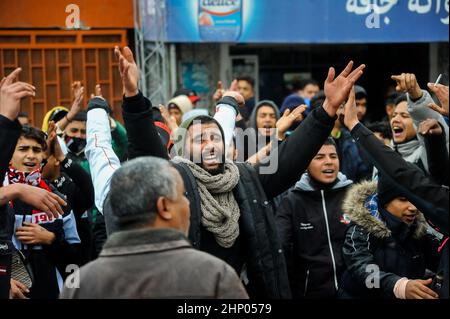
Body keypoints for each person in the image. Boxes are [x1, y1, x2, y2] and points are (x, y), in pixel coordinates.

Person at [110, 46, 365, 298]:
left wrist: (327, 111)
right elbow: (147, 149)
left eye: (215, 137)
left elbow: (289, 159)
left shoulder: (243, 178)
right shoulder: (175, 179)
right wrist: (133, 96)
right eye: (200, 140)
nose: (210, 145)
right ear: (183, 149)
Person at [60, 156, 249, 299]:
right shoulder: (214, 276)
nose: (189, 204)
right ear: (164, 207)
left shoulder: (79, 285)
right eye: (183, 195)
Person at [341, 85, 449, 299]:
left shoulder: (418, 233)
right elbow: (361, 270)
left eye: (414, 200)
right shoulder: (362, 230)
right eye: (403, 199)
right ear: (384, 202)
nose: (413, 207)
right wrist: (398, 285)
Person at [276, 138, 353, 298]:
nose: (328, 162)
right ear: (306, 162)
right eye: (319, 157)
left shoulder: (353, 195)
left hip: (353, 291)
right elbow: (281, 251)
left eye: (333, 156)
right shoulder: (291, 201)